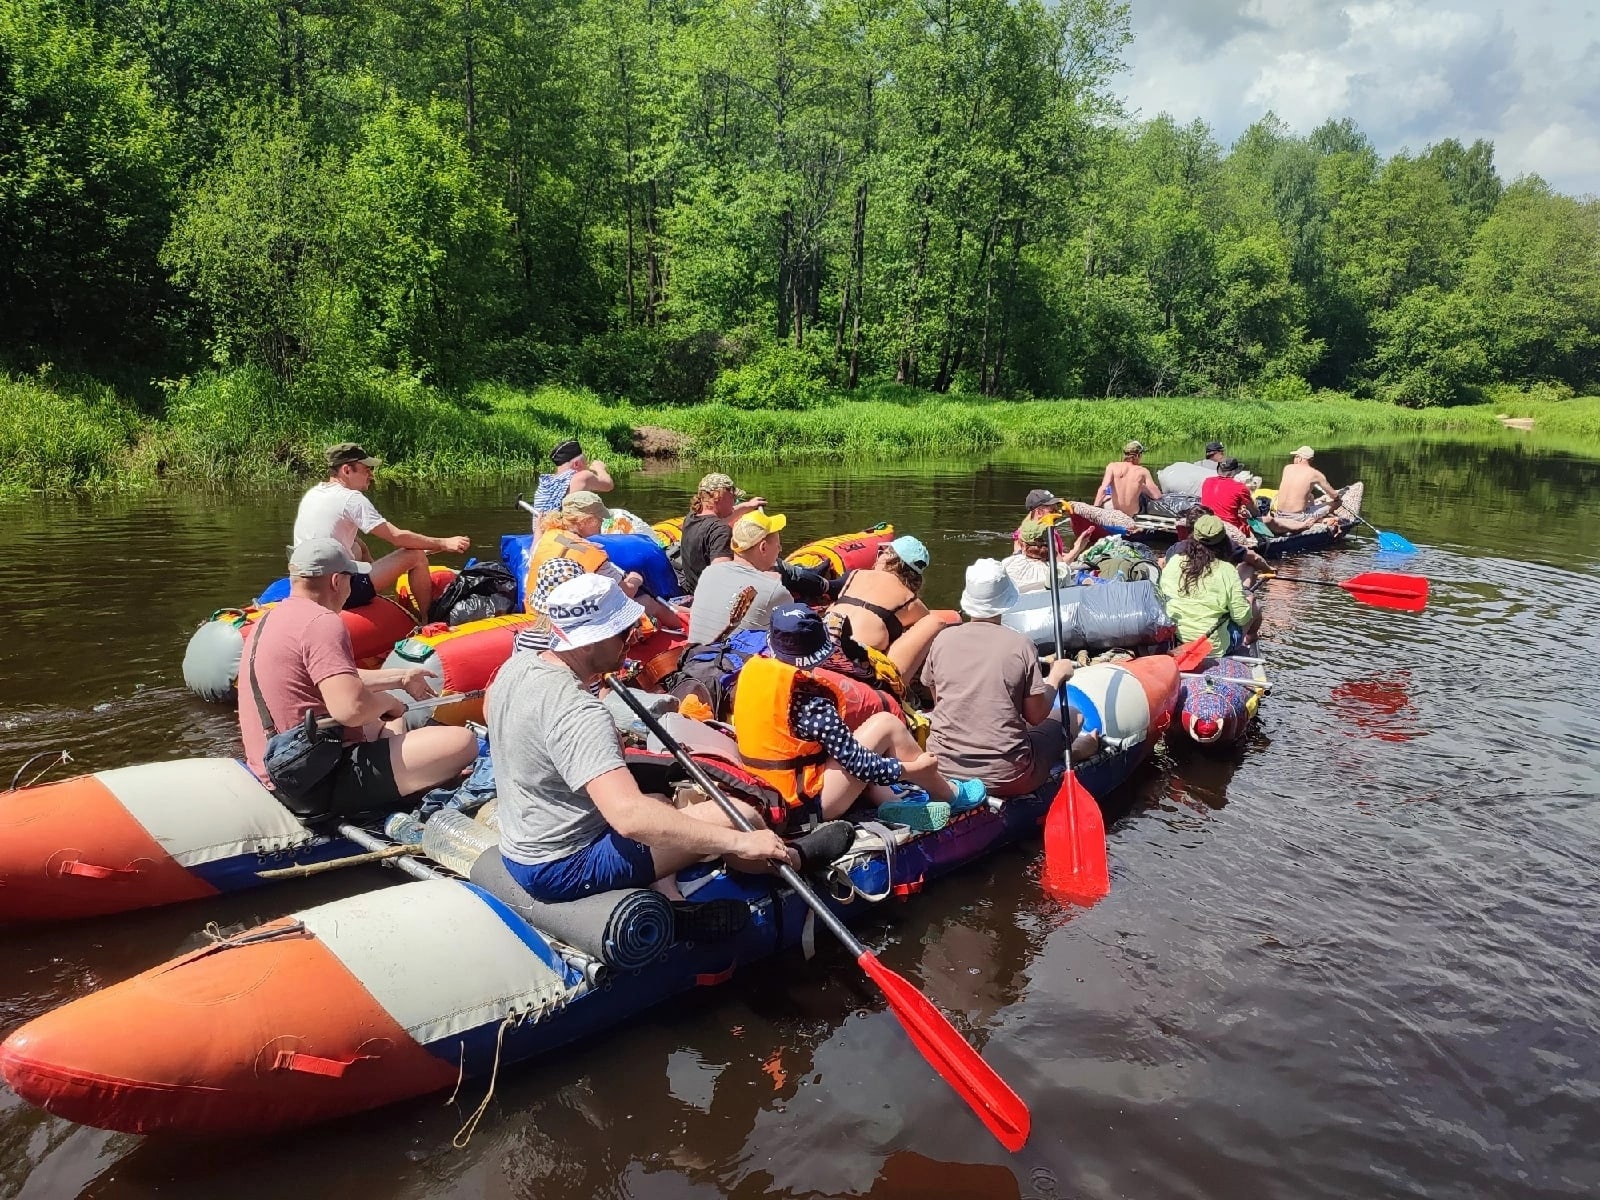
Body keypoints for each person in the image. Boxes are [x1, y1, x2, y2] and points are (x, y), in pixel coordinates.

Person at [488, 574, 814, 904]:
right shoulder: (579, 713)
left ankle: (670, 895)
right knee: (742, 817)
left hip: (526, 840)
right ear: (586, 643)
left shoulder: (518, 666)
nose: (634, 637)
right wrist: (742, 842)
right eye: (623, 632)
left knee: (658, 801)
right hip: (564, 865)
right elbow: (629, 817)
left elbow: (493, 711)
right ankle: (796, 858)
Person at [239, 539, 479, 819]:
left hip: (278, 769)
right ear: (337, 581)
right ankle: (405, 789)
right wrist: (388, 701)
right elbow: (350, 709)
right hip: (314, 781)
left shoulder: (270, 618)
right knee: (463, 742)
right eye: (351, 579)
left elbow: (333, 675)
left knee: (392, 724)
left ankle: (406, 774)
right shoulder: (322, 622)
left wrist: (400, 678)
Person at [733, 604, 985, 827]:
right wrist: (912, 769)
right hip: (806, 806)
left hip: (769, 791)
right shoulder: (811, 702)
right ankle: (949, 794)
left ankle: (890, 801)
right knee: (887, 724)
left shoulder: (754, 673)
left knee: (855, 738)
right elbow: (859, 764)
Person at [920, 560, 1096, 797]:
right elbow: (1036, 716)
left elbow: (939, 700)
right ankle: (1076, 751)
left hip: (943, 768)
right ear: (1005, 601)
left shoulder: (942, 640)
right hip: (1006, 776)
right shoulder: (1020, 645)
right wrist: (1056, 676)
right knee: (1074, 715)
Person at [292, 443, 470, 618]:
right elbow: (397, 537)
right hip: (335, 592)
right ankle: (427, 621)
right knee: (415, 556)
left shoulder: (314, 493)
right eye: (366, 469)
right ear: (346, 470)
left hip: (305, 584)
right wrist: (443, 543)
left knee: (358, 546)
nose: (371, 475)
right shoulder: (351, 499)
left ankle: (374, 593)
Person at [531, 492, 683, 629]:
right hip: (579, 620)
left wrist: (538, 530)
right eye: (599, 519)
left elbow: (533, 555)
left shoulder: (547, 537)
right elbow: (624, 593)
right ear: (585, 521)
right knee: (648, 601)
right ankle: (684, 629)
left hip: (541, 613)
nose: (603, 523)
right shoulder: (592, 553)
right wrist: (635, 580)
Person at [827, 535, 949, 678]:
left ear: (889, 558)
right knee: (934, 622)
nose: (878, 556)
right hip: (856, 666)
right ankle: (899, 689)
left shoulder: (855, 575)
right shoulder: (911, 602)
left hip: (822, 649)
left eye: (882, 552)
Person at [686, 509, 794, 647]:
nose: (780, 550)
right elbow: (796, 642)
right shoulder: (775, 591)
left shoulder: (709, 573)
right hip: (740, 659)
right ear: (763, 548)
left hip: (698, 655)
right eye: (778, 546)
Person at [1158, 515, 1261, 656]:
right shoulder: (1227, 570)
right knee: (1254, 604)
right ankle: (1250, 638)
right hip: (1212, 647)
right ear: (1224, 541)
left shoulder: (1175, 561)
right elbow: (1241, 618)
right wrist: (1246, 599)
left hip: (1175, 639)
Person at [678, 472, 768, 593]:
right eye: (733, 498)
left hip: (694, 588)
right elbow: (722, 579)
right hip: (710, 596)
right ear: (718, 496)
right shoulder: (721, 531)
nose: (734, 502)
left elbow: (727, 515)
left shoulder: (691, 517)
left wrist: (749, 505)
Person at [1001, 517, 1097, 594]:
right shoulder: (1059, 572)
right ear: (1052, 544)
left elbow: (1018, 552)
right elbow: (1061, 564)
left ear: (1022, 545)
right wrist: (1077, 548)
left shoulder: (1007, 564)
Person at [1268, 446, 1348, 533]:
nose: (1294, 459)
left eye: (1295, 456)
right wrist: (1336, 499)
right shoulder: (1315, 474)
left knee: (1310, 498)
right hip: (1297, 518)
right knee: (1337, 502)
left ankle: (1320, 519)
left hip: (1279, 514)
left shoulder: (1287, 468)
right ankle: (1320, 520)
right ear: (1311, 459)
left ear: (1300, 458)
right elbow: (1334, 495)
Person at [530, 439, 614, 516]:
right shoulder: (583, 476)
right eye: (585, 462)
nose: (587, 466)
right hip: (566, 527)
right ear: (577, 464)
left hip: (543, 527)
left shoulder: (546, 484)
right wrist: (600, 468)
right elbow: (608, 485)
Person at [1095, 440, 1162, 517]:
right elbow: (1156, 496)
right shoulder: (1143, 471)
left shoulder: (1112, 466)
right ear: (1138, 456)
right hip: (1131, 514)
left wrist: (1095, 509)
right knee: (1143, 498)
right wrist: (1142, 487)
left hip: (1116, 512)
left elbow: (1103, 489)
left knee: (1107, 497)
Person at [1199, 456, 1259, 535]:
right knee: (1261, 522)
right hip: (1229, 529)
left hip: (1207, 524)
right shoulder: (1240, 487)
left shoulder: (1207, 481)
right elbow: (1254, 512)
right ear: (1233, 471)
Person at [1156, 440, 1226, 495]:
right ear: (1215, 453)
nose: (1223, 455)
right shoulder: (1220, 467)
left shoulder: (1197, 464)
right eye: (1221, 452)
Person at [1012, 488, 1068, 555]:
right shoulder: (1045, 532)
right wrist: (1078, 545)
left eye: (1056, 510)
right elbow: (1059, 561)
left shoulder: (1022, 531)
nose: (1056, 513)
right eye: (1052, 511)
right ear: (1039, 512)